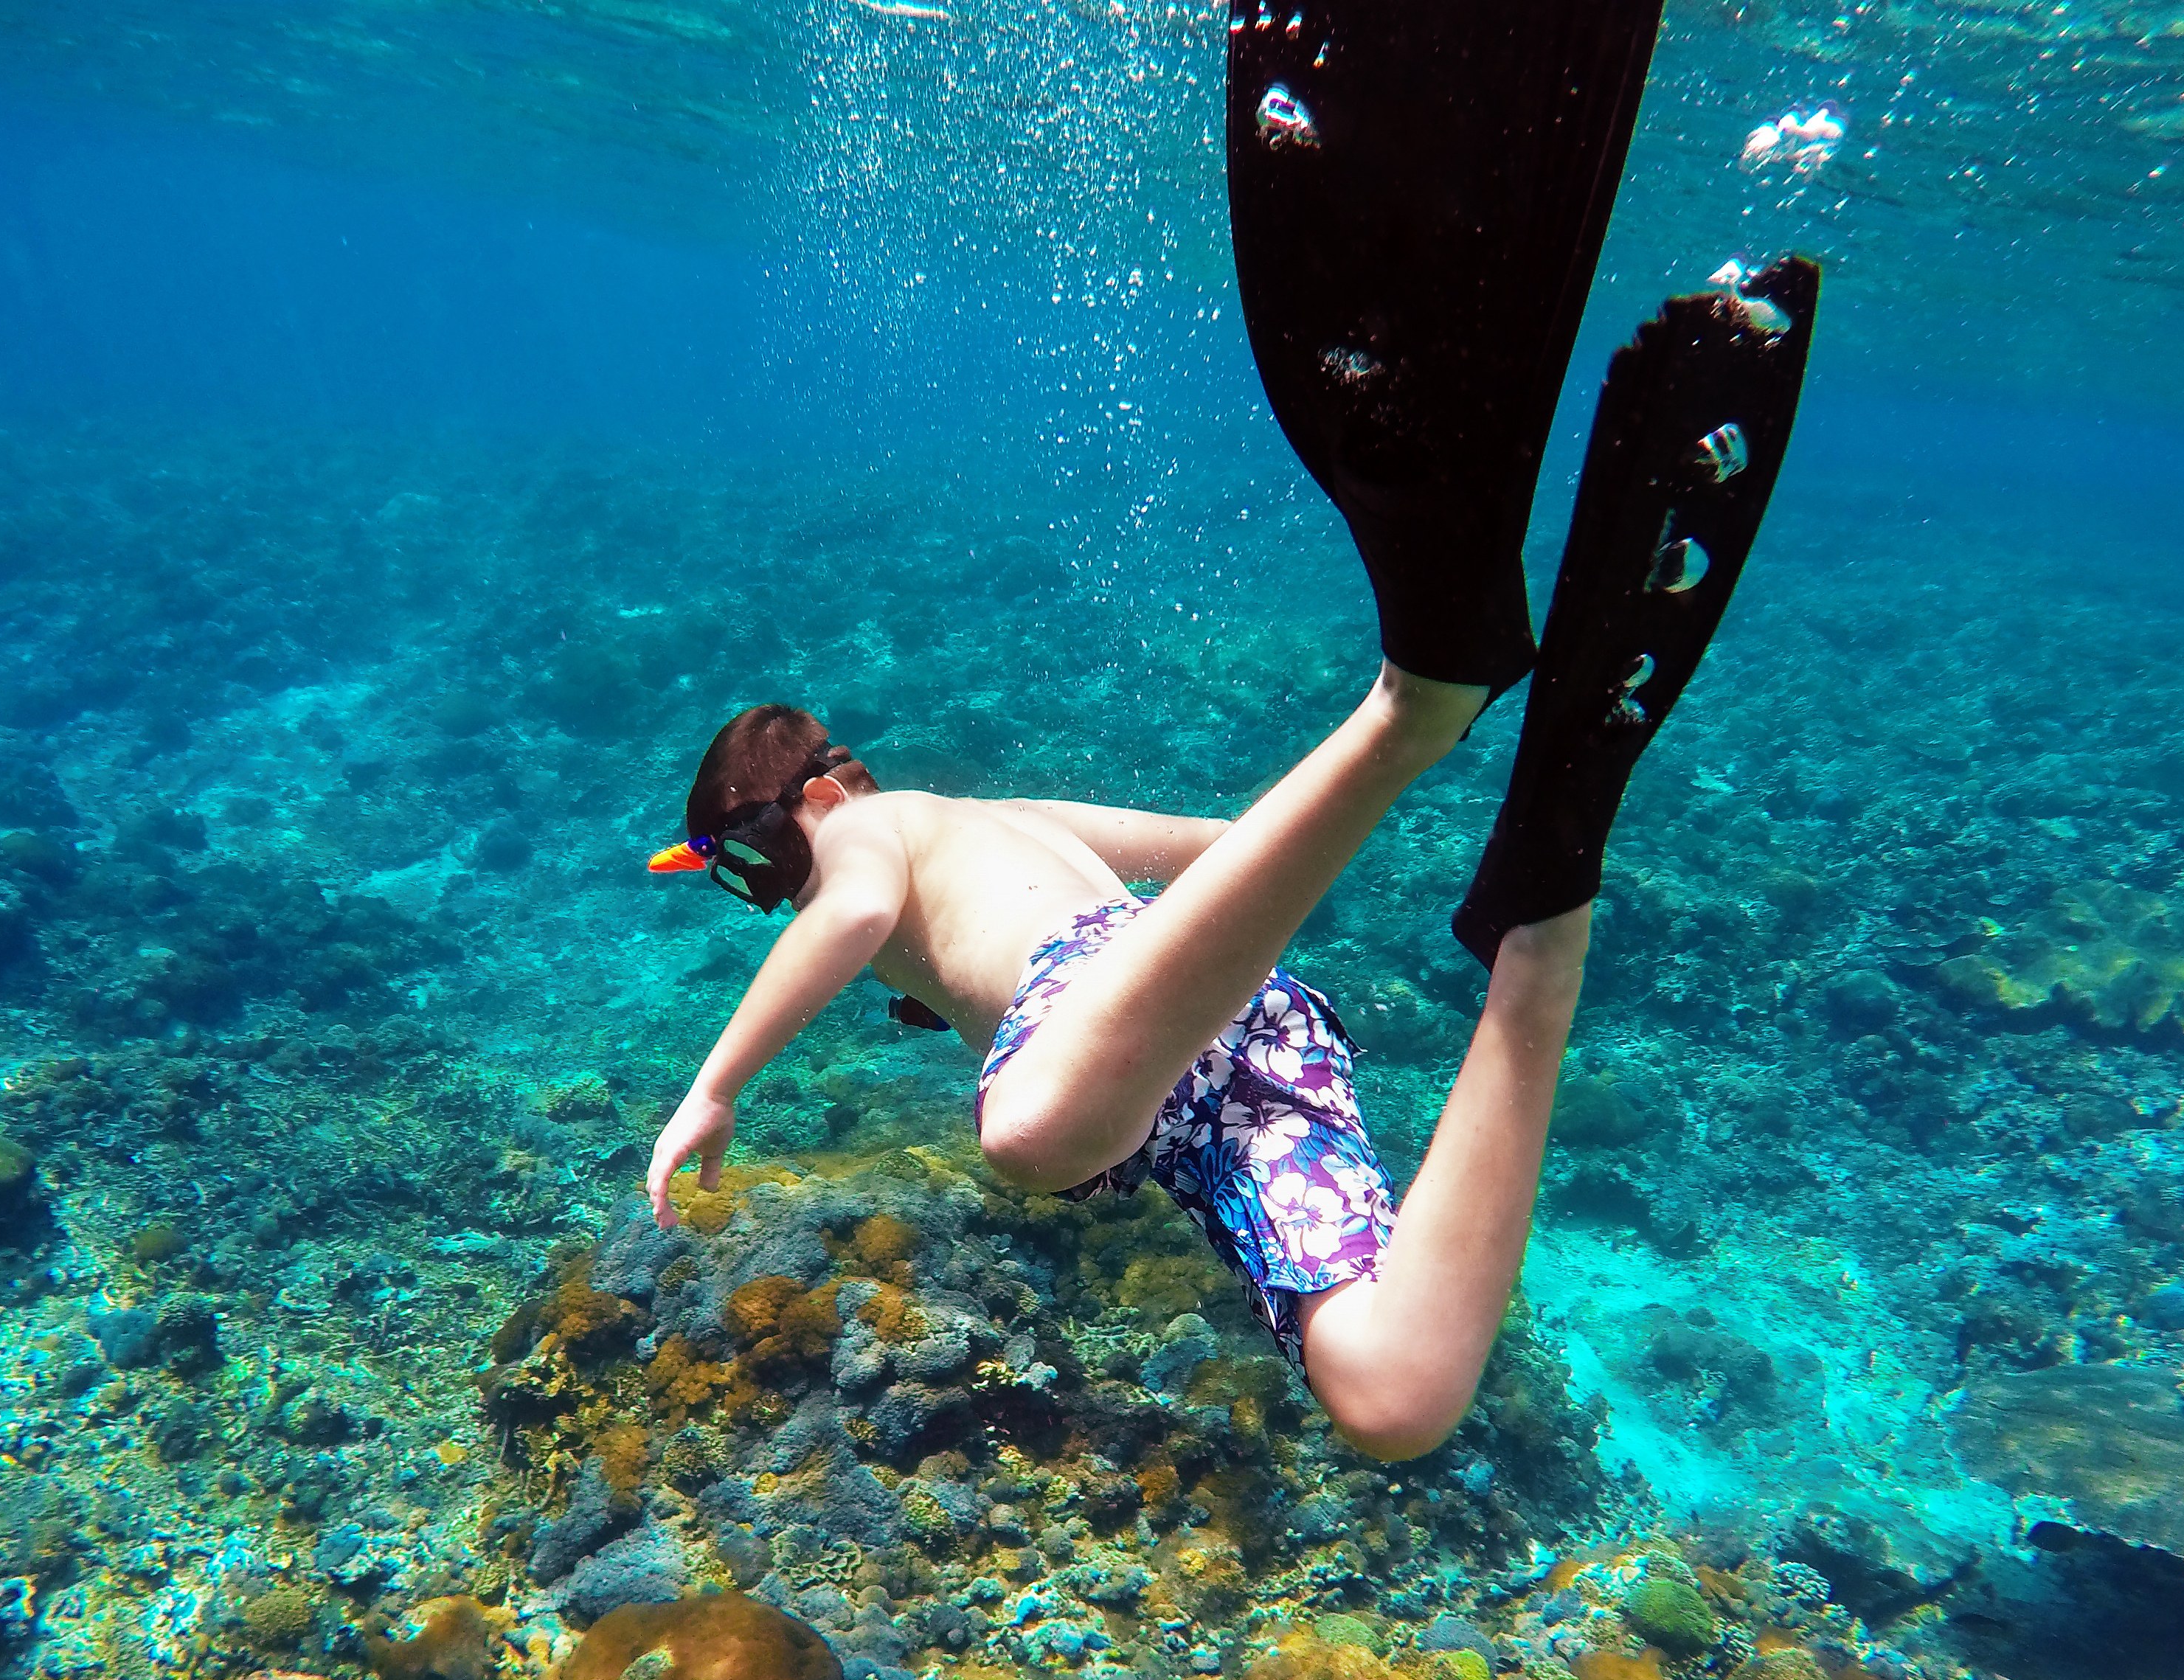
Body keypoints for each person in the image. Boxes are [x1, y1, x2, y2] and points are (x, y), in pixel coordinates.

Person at [641, 0, 1819, 1462]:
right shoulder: (1010, 823)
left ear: (812, 796)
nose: (783, 894)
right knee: (1391, 1399)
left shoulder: (873, 837)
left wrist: (714, 1085)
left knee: (1021, 1138)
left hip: (1129, 1037)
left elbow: (854, 908)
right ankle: (1542, 923)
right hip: (1215, 1056)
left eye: (760, 859)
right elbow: (1223, 858)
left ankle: (1417, 701)